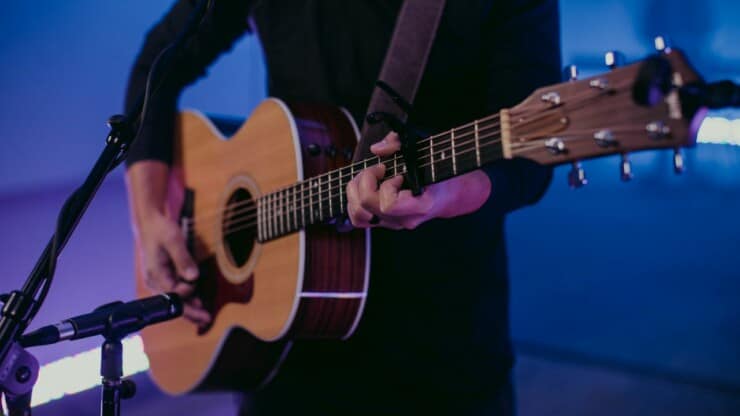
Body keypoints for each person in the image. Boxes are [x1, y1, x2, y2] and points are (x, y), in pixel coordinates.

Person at [124, 1, 561, 414]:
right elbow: (157, 64)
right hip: (286, 347)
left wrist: (441, 196)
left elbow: (529, 156)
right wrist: (150, 217)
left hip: (441, 338)